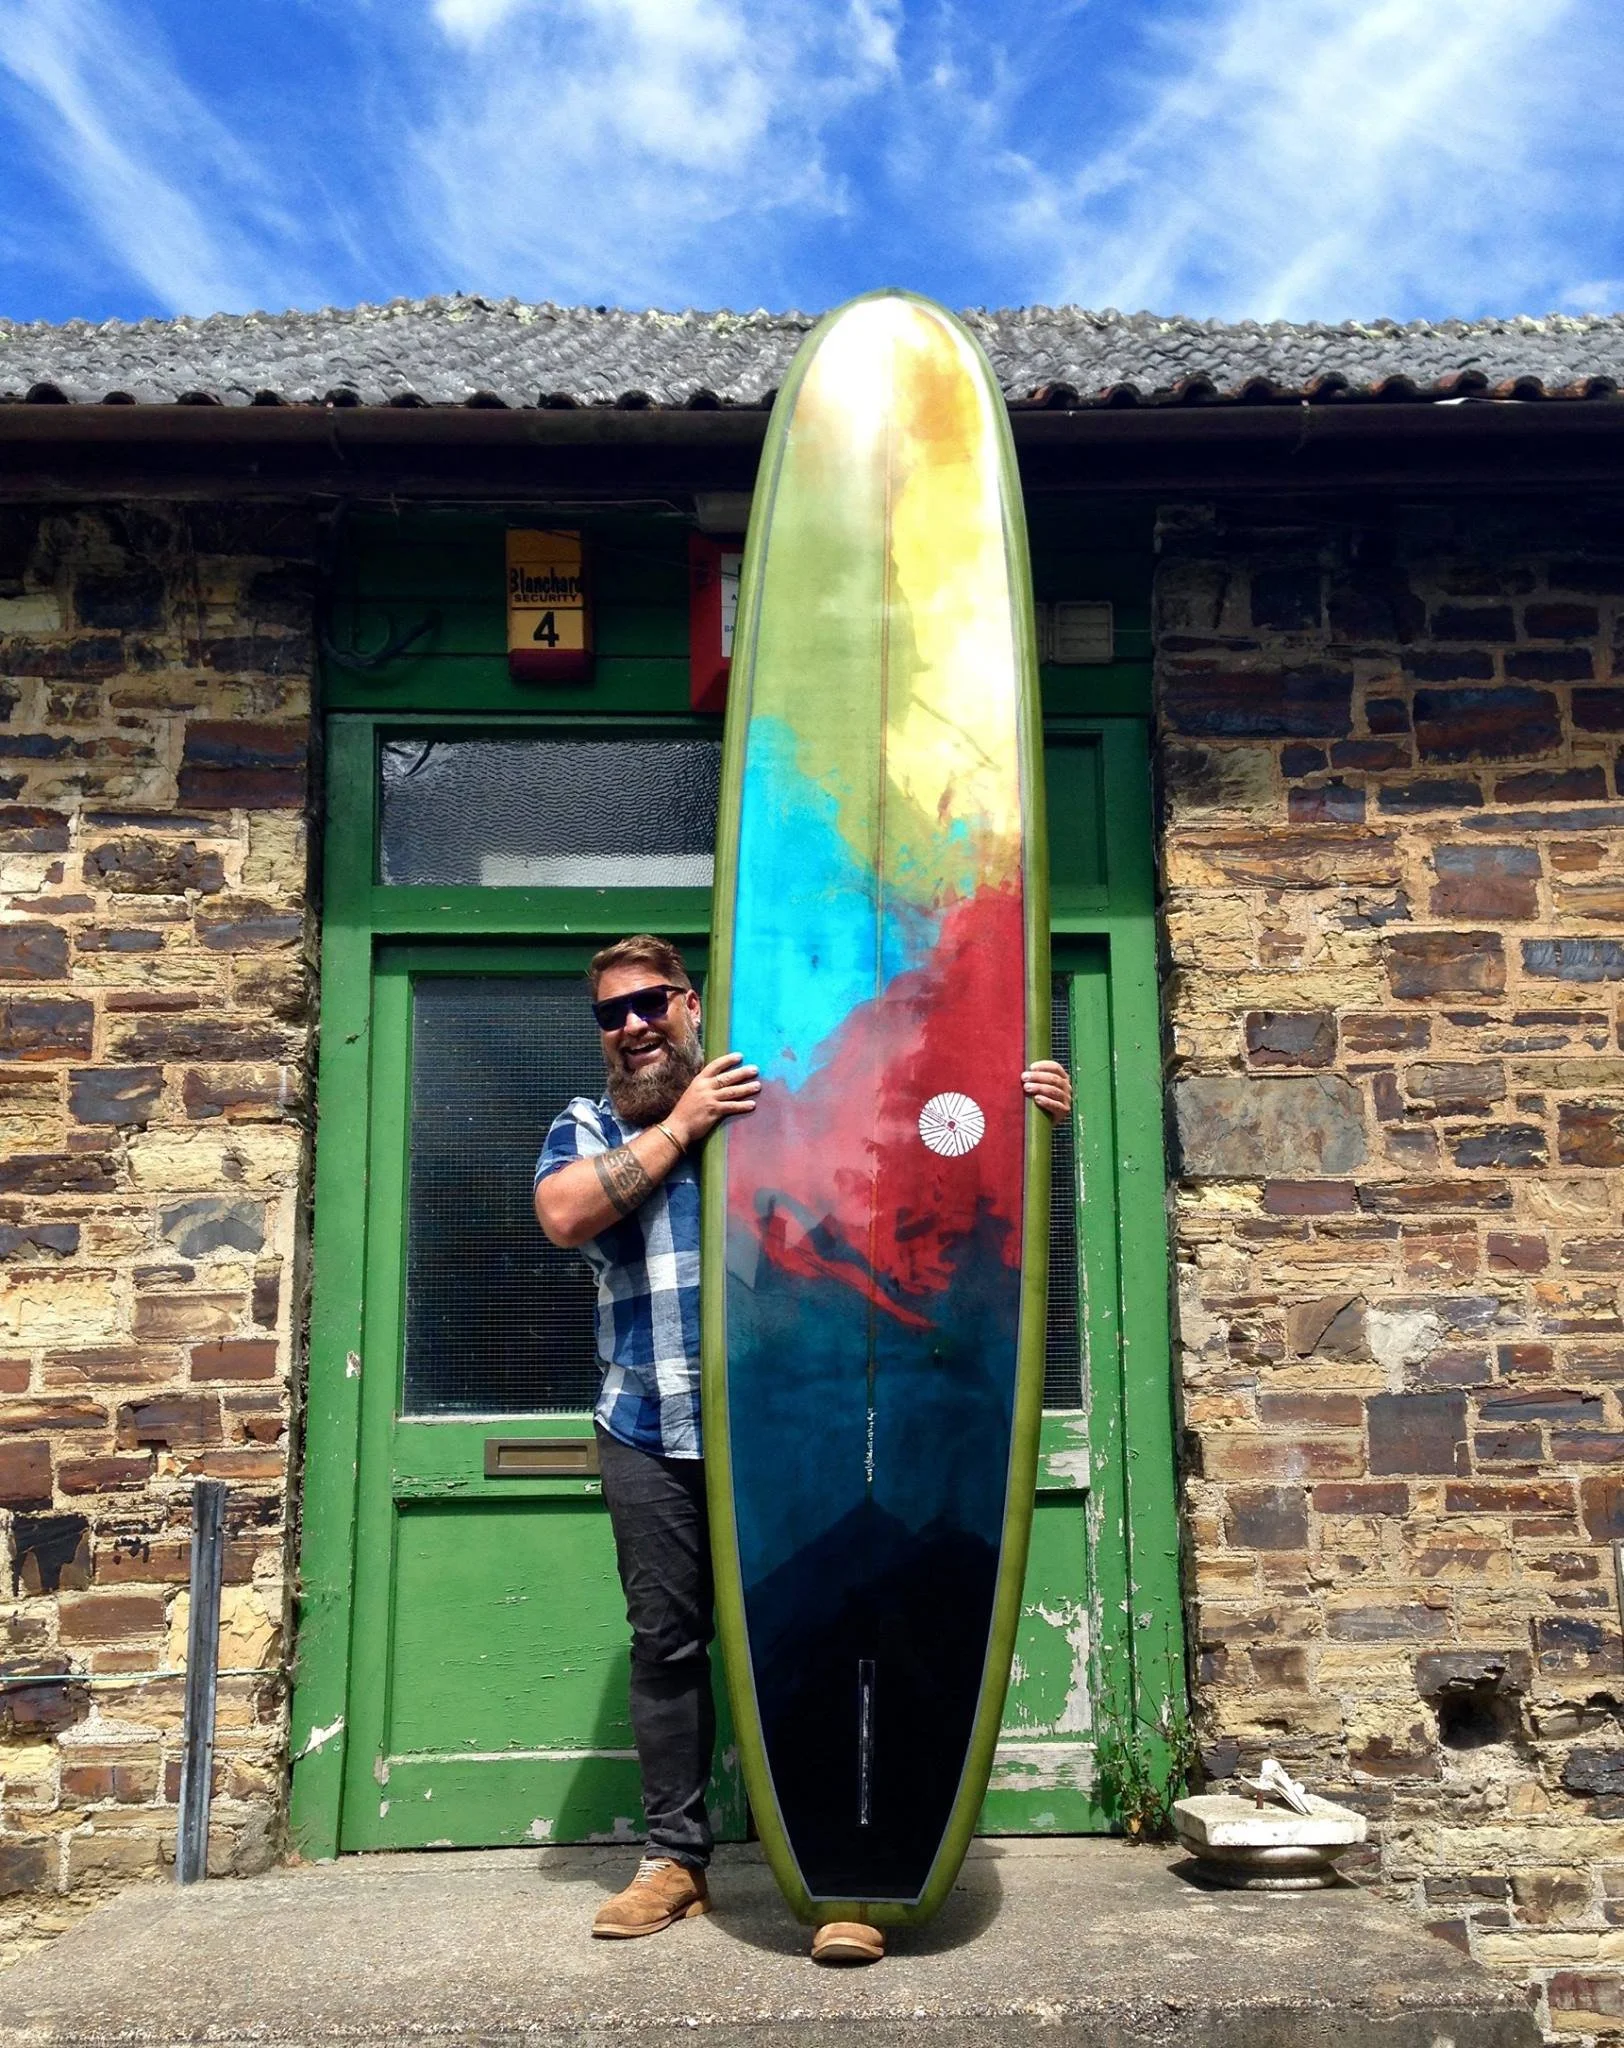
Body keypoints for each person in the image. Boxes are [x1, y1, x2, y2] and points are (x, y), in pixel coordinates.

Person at [533, 933, 1072, 1961]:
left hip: (791, 1429)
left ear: (692, 1002)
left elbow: (922, 1168)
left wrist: (1017, 1115)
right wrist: (682, 1128)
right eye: (613, 1013)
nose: (635, 1024)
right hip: (650, 1425)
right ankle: (674, 1862)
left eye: (652, 1001)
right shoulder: (593, 1122)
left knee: (831, 1629)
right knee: (665, 1642)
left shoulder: (777, 1103)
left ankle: (848, 1866)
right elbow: (562, 1211)